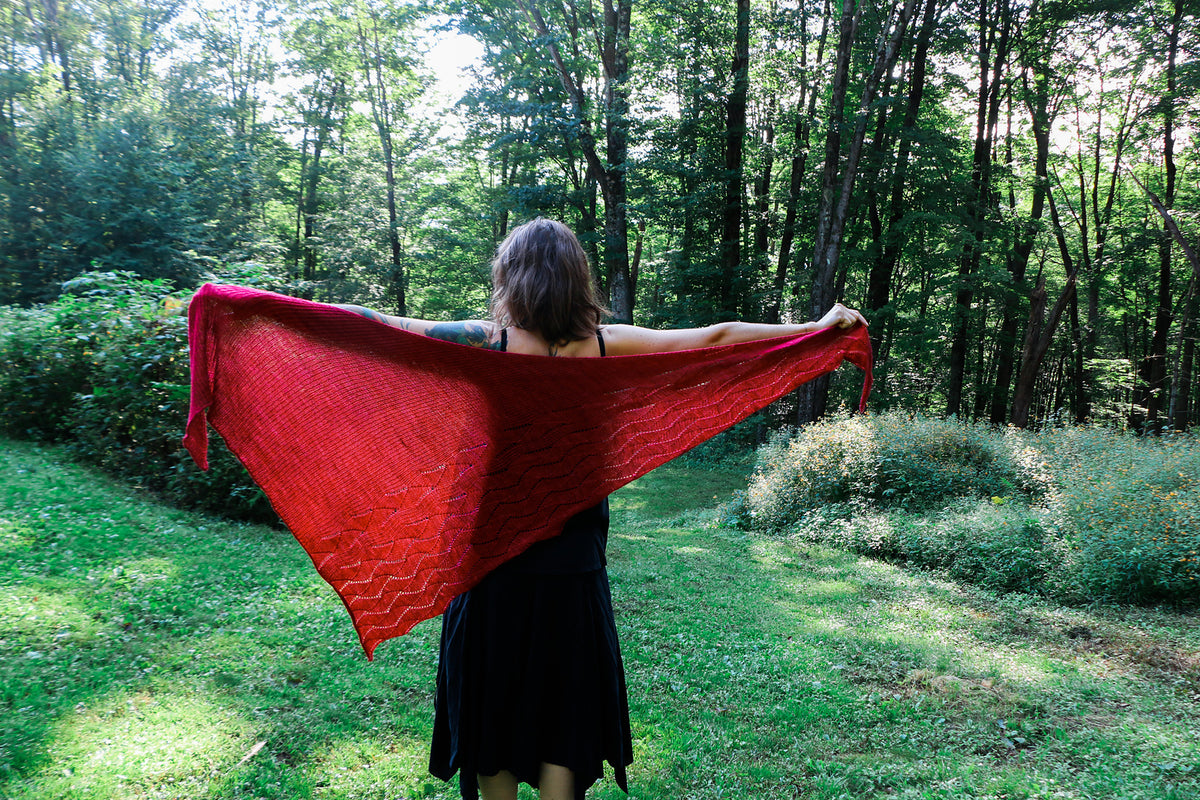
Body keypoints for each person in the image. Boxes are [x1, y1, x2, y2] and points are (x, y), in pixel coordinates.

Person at [337, 218, 866, 800]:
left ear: (511, 279)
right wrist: (813, 328)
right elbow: (715, 338)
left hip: (492, 572)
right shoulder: (606, 347)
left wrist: (264, 306)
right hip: (572, 571)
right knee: (567, 712)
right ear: (575, 279)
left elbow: (381, 328)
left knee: (495, 716)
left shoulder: (490, 343)